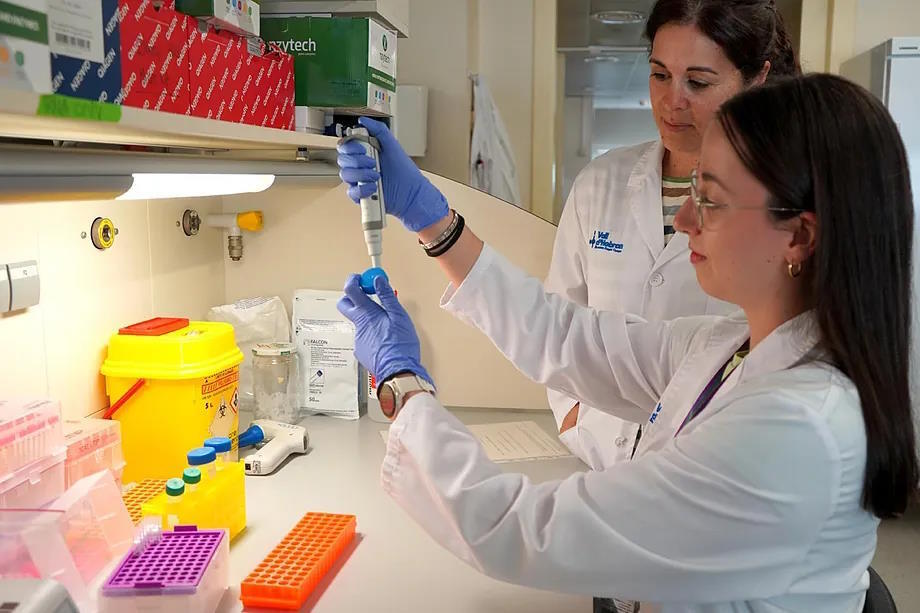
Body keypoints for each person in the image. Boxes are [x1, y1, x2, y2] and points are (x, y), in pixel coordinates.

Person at [335, 73, 919, 611]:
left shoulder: (795, 429)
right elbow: (566, 336)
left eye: (710, 198)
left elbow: (520, 529)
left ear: (799, 235)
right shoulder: (732, 347)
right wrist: (431, 220)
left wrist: (401, 384)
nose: (685, 217)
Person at [549, 0, 801, 470]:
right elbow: (558, 321)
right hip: (599, 461)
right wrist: (575, 420)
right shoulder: (600, 183)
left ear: (757, 78)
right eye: (660, 74)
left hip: (720, 468)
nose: (671, 101)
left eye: (698, 82)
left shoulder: (780, 202)